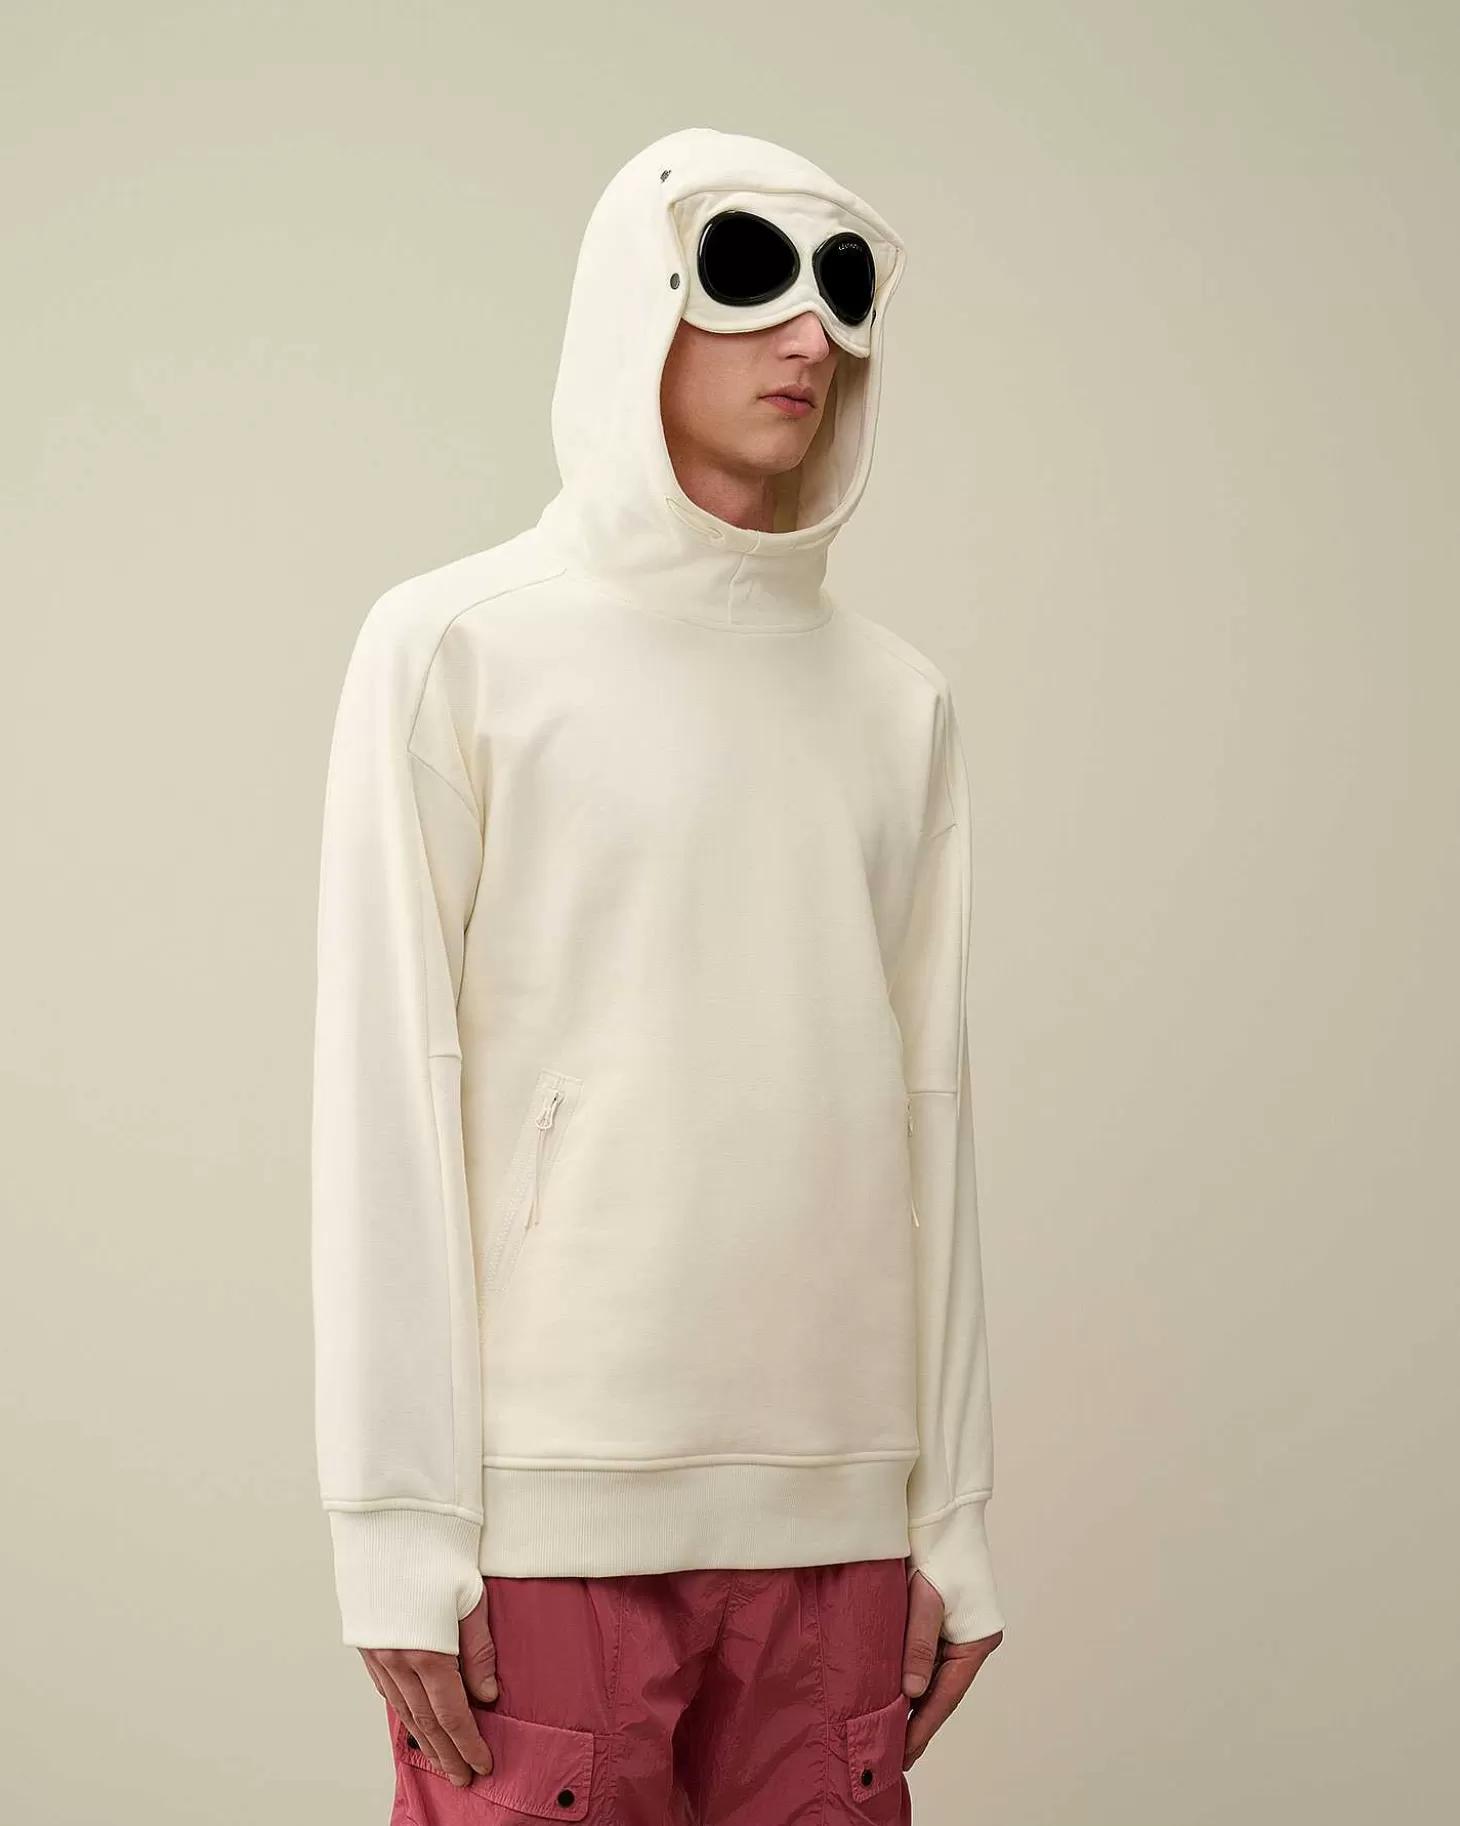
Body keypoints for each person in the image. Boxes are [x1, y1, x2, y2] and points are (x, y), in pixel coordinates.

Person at [310, 124, 1005, 1822]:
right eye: (749, 273)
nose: (811, 334)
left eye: (847, 287)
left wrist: (953, 1514)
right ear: (639, 295)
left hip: (840, 1528)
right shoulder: (460, 646)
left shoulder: (896, 701)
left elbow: (933, 1110)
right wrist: (394, 1522)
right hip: (550, 1522)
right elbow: (389, 1088)